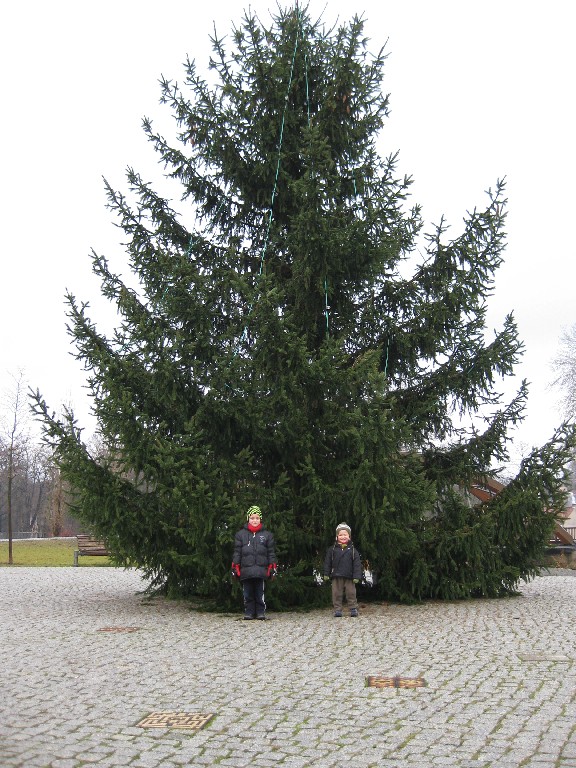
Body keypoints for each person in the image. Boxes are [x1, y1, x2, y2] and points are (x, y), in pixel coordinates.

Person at [232, 505, 277, 620]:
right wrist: (235, 566)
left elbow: (271, 552)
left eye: (257, 518)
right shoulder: (240, 535)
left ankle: (260, 612)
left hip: (261, 570)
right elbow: (237, 552)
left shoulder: (267, 535)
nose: (255, 520)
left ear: (260, 519)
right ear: (248, 519)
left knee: (259, 593)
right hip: (246, 570)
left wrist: (272, 566)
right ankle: (249, 611)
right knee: (247, 593)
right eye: (252, 518)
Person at [323, 522, 362, 617]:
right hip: (336, 575)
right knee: (336, 593)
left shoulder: (353, 550)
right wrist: (326, 573)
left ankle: (353, 608)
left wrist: (356, 576)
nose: (343, 537)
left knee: (351, 593)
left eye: (345, 535)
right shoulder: (332, 550)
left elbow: (357, 564)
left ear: (349, 536)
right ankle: (337, 609)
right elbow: (328, 562)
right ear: (337, 537)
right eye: (340, 535)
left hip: (349, 576)